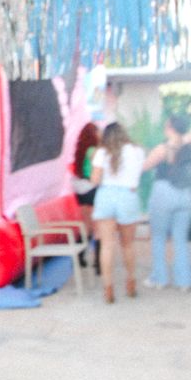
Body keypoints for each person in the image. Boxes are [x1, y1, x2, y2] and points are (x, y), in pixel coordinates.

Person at [90, 122, 146, 304]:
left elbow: (94, 180)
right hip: (128, 196)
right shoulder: (137, 151)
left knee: (107, 245)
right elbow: (138, 175)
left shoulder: (102, 152)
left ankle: (108, 289)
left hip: (106, 195)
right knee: (128, 245)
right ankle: (131, 284)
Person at [143, 116, 191, 291]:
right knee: (180, 238)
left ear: (169, 128)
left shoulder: (162, 149)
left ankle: (160, 278)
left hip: (164, 192)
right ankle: (184, 281)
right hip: (186, 194)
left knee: (159, 237)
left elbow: (144, 166)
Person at [71, 122, 101, 274]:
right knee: (97, 226)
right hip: (92, 189)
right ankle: (98, 262)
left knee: (86, 225)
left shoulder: (80, 151)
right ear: (93, 135)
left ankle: (80, 256)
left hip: (80, 190)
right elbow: (97, 173)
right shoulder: (95, 151)